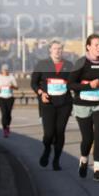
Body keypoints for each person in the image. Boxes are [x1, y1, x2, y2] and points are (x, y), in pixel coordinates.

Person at [68, 34, 99, 182]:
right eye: (96, 45)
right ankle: (83, 159)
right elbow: (70, 84)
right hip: (82, 105)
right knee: (87, 138)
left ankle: (97, 170)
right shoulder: (80, 63)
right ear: (88, 47)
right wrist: (89, 85)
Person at [30, 40, 74, 170]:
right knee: (49, 134)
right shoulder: (42, 64)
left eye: (60, 49)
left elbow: (75, 81)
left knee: (60, 132)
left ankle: (56, 160)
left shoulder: (69, 65)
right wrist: (40, 93)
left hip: (64, 104)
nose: (57, 51)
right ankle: (47, 149)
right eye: (55, 48)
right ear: (50, 50)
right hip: (47, 103)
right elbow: (34, 83)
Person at [0, 65, 19, 137]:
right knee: (4, 113)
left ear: (8, 70)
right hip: (1, 97)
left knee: (8, 114)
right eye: (4, 70)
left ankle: (8, 125)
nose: (5, 71)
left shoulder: (11, 77)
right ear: (1, 70)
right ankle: (4, 129)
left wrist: (12, 86)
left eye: (6, 70)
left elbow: (17, 87)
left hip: (10, 97)